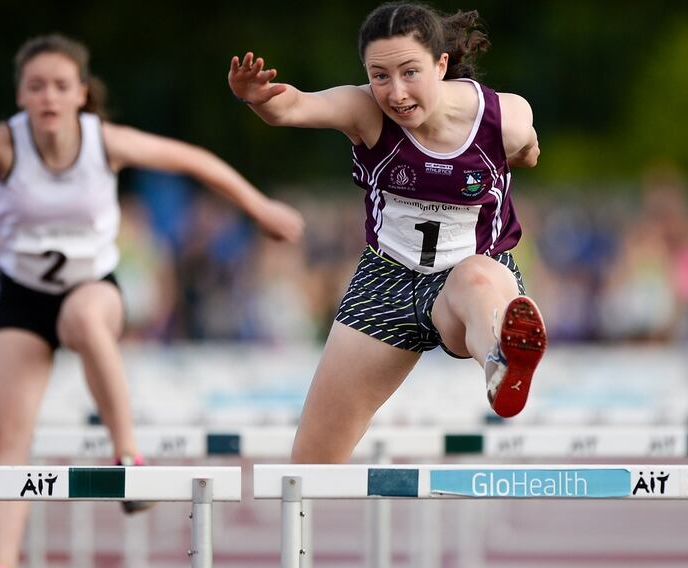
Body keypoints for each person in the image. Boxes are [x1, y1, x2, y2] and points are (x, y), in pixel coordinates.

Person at [0, 33, 304, 568]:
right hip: (22, 300)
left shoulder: (104, 142)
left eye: (61, 86)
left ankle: (128, 457)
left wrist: (260, 207)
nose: (48, 97)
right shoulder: (1, 140)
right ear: (21, 95)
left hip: (94, 289)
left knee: (85, 318)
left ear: (81, 94)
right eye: (36, 86)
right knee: (8, 441)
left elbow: (195, 161)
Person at [229, 1, 546, 464]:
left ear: (441, 65)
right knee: (311, 466)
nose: (395, 93)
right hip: (384, 282)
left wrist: (518, 156)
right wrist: (257, 97)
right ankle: (300, 534)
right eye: (380, 76)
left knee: (477, 280)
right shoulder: (365, 111)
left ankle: (502, 360)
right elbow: (295, 106)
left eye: (409, 73)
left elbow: (529, 152)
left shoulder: (504, 117)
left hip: (465, 275)